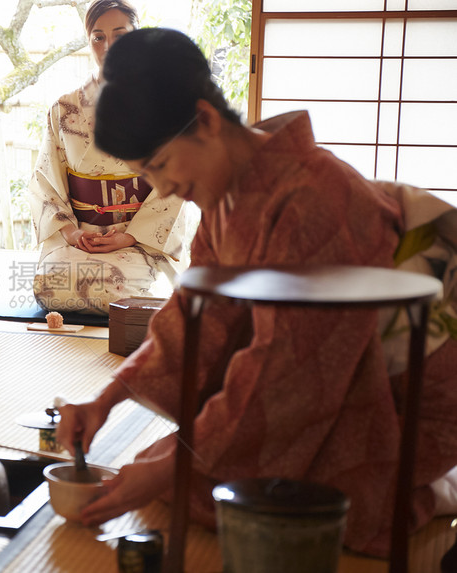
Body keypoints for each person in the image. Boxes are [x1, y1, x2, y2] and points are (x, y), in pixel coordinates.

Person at [56, 27, 457, 557]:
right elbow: (195, 321)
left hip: (407, 396)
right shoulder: (229, 196)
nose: (162, 188)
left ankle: (434, 485)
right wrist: (108, 397)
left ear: (205, 119)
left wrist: (171, 469)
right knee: (172, 469)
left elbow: (288, 375)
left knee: (235, 498)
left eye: (158, 165)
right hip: (327, 369)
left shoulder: (314, 196)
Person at [26, 0, 197, 315]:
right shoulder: (65, 109)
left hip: (139, 239)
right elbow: (45, 180)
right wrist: (72, 232)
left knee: (120, 290)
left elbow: (175, 182)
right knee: (50, 287)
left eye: (120, 35)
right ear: (89, 40)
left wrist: (130, 236)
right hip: (80, 238)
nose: (109, 46)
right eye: (98, 37)